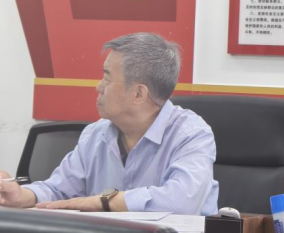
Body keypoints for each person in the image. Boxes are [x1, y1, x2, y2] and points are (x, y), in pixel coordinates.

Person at [0, 32, 218, 215]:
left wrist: (103, 201)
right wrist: (23, 195)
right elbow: (58, 190)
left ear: (139, 94)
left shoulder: (191, 135)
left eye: (107, 77)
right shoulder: (95, 134)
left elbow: (181, 202)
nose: (98, 87)